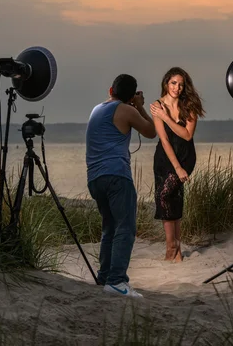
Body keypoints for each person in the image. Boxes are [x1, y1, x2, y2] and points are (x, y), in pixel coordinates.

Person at [85, 74, 156, 298]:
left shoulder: (96, 109)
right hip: (116, 175)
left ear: (110, 90)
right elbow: (151, 131)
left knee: (110, 228)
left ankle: (104, 277)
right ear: (130, 97)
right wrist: (140, 107)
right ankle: (117, 281)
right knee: (125, 227)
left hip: (94, 178)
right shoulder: (127, 110)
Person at [149, 67, 205, 262]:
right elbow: (164, 140)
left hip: (186, 156)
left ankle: (171, 248)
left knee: (165, 195)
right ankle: (176, 250)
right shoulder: (157, 106)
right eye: (174, 83)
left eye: (181, 84)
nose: (177, 87)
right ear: (166, 83)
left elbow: (187, 135)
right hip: (164, 157)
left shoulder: (189, 105)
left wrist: (167, 118)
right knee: (170, 196)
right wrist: (175, 167)